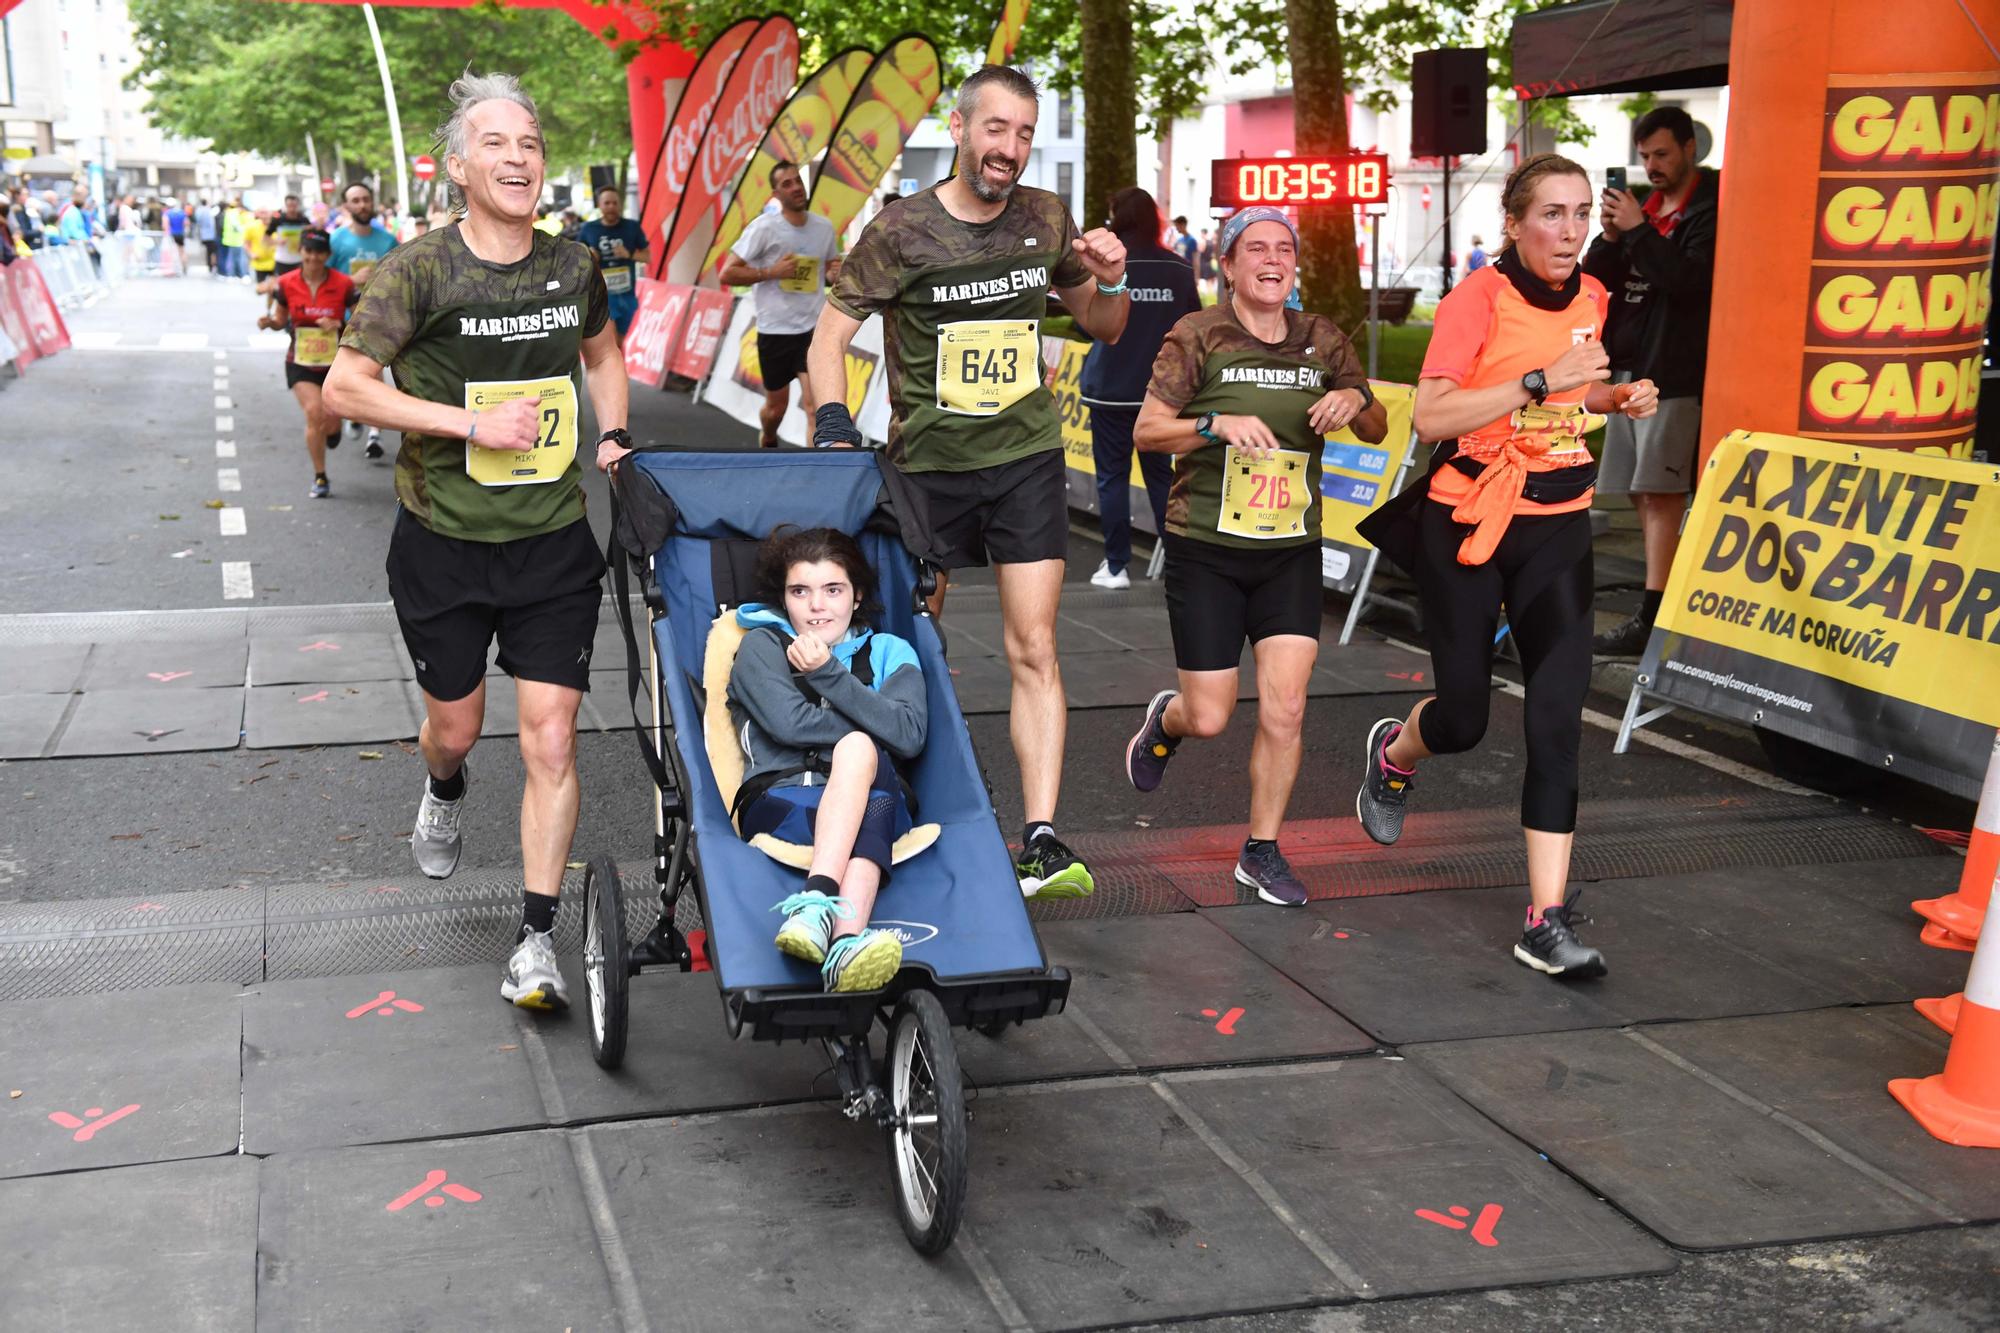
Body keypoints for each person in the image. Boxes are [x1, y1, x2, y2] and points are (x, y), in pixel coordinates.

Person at [322, 71, 631, 1014]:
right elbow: (345, 388)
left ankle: (535, 939)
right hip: (444, 541)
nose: (519, 157)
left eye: (530, 142)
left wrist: (613, 437)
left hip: (551, 541)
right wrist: (464, 422)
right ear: (459, 168)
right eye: (496, 144)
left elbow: (603, 352)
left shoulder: (573, 265)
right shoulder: (416, 270)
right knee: (456, 729)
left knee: (551, 737)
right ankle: (444, 787)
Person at [807, 64, 1131, 900]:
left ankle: (1044, 837)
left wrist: (1113, 276)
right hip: (928, 471)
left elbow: (1101, 322)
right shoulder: (901, 230)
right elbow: (827, 340)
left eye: (1024, 134)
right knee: (917, 651)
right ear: (960, 128)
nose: (1011, 149)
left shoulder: (1044, 218)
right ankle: (904, 804)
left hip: (1025, 459)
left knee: (1035, 646)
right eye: (997, 130)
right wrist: (835, 428)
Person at [1354, 153, 1659, 978]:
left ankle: (1545, 918)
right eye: (1552, 215)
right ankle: (1396, 753)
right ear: (1515, 226)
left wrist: (1610, 399)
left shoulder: (1593, 295)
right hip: (1470, 523)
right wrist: (1537, 378)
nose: (1570, 230)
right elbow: (1433, 417)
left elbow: (1573, 394)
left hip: (1558, 526)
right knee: (1465, 719)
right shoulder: (1475, 300)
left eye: (1581, 212)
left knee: (1556, 725)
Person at [1126, 206, 1387, 907]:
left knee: (1286, 708)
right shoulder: (1198, 334)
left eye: (1284, 249)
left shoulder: (1320, 337)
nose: (1273, 259)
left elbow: (1376, 421)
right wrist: (1213, 424)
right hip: (1206, 548)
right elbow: (1150, 431)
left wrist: (1350, 394)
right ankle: (1167, 721)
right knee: (1211, 715)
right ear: (1231, 265)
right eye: (1256, 249)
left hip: (1289, 548)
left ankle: (1262, 849)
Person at [729, 526, 928, 992]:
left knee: (865, 767)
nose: (817, 606)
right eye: (801, 591)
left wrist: (827, 674)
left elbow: (911, 735)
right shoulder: (762, 647)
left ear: (856, 597)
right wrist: (875, 721)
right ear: (784, 598)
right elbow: (791, 724)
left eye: (833, 590)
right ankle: (836, 930)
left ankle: (824, 915)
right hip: (783, 804)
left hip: (879, 804)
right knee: (862, 749)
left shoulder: (890, 652)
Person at [1584, 106, 1719, 656]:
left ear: (1691, 148)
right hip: (1631, 368)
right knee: (1643, 495)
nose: (1652, 165)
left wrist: (1640, 231)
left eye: (1662, 153)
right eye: (1644, 156)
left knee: (1659, 492)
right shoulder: (1650, 209)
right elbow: (1594, 280)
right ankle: (1663, 599)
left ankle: (1656, 612)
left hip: (1673, 372)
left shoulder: (1709, 207)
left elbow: (1688, 282)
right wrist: (1615, 235)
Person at [1080, 187, 1201, 589]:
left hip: (1109, 389)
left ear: (1116, 215)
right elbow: (1195, 329)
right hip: (1161, 395)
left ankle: (1116, 566)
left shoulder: (1105, 265)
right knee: (1163, 481)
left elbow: (1087, 318)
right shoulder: (1179, 269)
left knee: (1111, 478)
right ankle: (1181, 565)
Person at [720, 161, 841, 448]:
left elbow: (827, 270)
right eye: (787, 184)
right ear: (776, 193)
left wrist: (833, 274)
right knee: (776, 409)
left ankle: (815, 472)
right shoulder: (764, 229)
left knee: (815, 407)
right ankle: (769, 436)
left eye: (797, 180)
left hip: (812, 331)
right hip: (775, 331)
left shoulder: (823, 228)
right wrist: (770, 273)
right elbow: (728, 273)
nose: (796, 187)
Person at [259, 228, 356, 498]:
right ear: (300, 252)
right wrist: (270, 323)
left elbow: (360, 325)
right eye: (308, 251)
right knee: (315, 412)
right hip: (300, 361)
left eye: (318, 252)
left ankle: (333, 427)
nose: (313, 258)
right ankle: (320, 476)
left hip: (335, 364)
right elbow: (280, 320)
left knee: (330, 420)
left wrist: (340, 323)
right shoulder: (287, 283)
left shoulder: (344, 284)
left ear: (327, 255)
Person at [328, 182, 398, 459]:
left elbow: (399, 277)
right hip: (341, 319)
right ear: (346, 206)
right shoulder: (337, 240)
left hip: (376, 318)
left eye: (365, 199)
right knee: (349, 372)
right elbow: (325, 278)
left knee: (373, 371)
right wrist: (350, 280)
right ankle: (353, 413)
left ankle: (374, 433)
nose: (361, 205)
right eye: (355, 201)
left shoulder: (388, 241)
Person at [576, 186, 649, 345]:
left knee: (620, 342)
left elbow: (648, 256)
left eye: (615, 203)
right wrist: (589, 256)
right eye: (607, 203)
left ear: (620, 204)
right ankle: (615, 369)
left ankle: (618, 367)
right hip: (602, 296)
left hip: (626, 296)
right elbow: (576, 261)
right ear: (599, 205)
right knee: (611, 341)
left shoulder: (632, 227)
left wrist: (629, 254)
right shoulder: (588, 229)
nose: (611, 207)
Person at [269, 195, 310, 278]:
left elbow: (310, 235)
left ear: (298, 205)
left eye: (294, 206)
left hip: (299, 259)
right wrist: (277, 242)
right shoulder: (278, 220)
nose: (292, 209)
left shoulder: (304, 220)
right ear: (285, 205)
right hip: (282, 260)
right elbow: (265, 238)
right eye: (289, 206)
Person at [219, 198, 248, 280]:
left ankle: (233, 274)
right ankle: (233, 274)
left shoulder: (228, 213)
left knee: (231, 258)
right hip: (235, 240)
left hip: (229, 240)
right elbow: (237, 227)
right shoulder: (234, 214)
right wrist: (245, 230)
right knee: (235, 259)